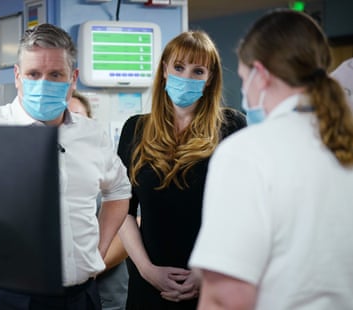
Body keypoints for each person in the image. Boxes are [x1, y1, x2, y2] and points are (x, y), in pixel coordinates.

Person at [189, 9, 353, 310]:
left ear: (260, 75)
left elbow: (228, 296)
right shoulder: (344, 143)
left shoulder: (247, 152)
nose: (245, 97)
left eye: (243, 78)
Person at [0, 23, 131, 310]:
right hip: (10, 296)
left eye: (55, 74)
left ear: (73, 78)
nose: (44, 83)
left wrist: (99, 251)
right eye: (33, 74)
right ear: (17, 76)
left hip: (81, 296)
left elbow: (118, 191)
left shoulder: (92, 134)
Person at [116, 30, 246, 310]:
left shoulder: (232, 126)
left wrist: (204, 272)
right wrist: (147, 270)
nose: (185, 77)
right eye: (178, 67)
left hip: (212, 281)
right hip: (147, 285)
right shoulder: (135, 129)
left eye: (197, 70)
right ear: (164, 70)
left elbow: (241, 212)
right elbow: (122, 211)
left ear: (209, 78)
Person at [68, 90, 129, 310]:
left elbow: (128, 231)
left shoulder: (109, 168)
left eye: (77, 117)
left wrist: (89, 267)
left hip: (104, 294)